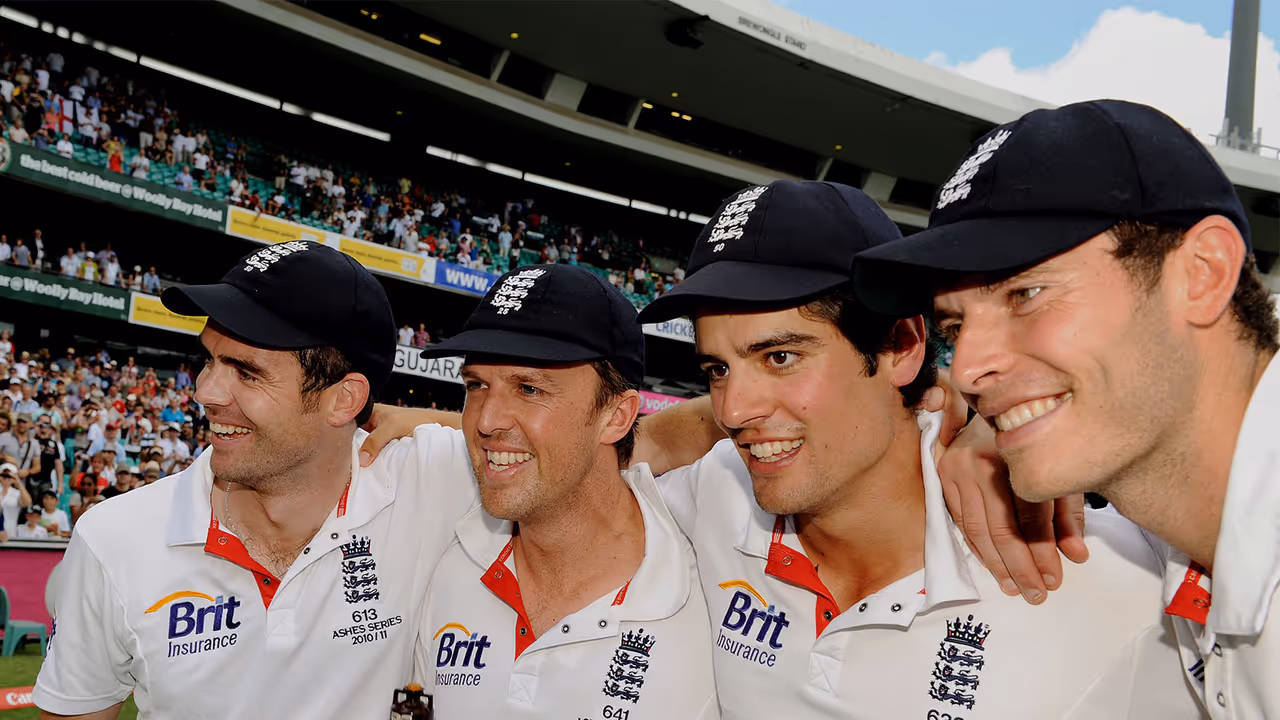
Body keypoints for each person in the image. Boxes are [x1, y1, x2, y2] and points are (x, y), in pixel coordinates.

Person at [626, 180, 1199, 718]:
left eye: (781, 357)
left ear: (901, 346)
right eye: (717, 369)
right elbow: (613, 445)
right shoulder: (712, 489)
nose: (731, 410)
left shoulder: (1121, 581)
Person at [854, 99, 1280, 719]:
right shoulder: (1197, 547)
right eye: (954, 325)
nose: (968, 370)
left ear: (1203, 274)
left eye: (1025, 294)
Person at [407, 265, 717, 716]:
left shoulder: (708, 597)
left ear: (616, 415)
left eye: (529, 388)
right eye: (476, 385)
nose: (486, 421)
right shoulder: (451, 556)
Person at [0, 463, 32, 539]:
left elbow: (28, 503)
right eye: (3, 475)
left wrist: (18, 482)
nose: (6, 478)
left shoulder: (17, 493)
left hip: (11, 532)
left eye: (9, 476)